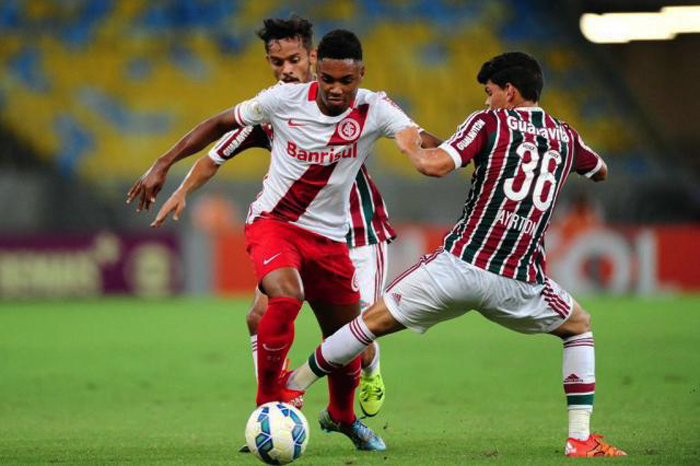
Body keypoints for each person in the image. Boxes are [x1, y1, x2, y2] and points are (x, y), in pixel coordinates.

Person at [284, 52, 627, 458]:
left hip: (459, 267)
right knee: (579, 327)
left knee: (369, 323)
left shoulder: (489, 122)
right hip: (519, 281)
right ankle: (580, 439)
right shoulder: (566, 136)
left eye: (490, 92)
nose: (486, 101)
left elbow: (435, 166)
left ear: (509, 92)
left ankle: (293, 386)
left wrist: (409, 145)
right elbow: (600, 170)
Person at [136, 28, 441, 451]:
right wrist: (164, 163)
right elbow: (218, 125)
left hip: (333, 238)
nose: (336, 89)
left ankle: (343, 416)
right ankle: (269, 404)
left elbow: (422, 141)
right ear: (317, 70)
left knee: (348, 339)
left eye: (346, 81)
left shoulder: (376, 108)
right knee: (282, 297)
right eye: (328, 79)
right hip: (274, 223)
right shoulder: (280, 101)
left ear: (360, 76)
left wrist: (456, 154)